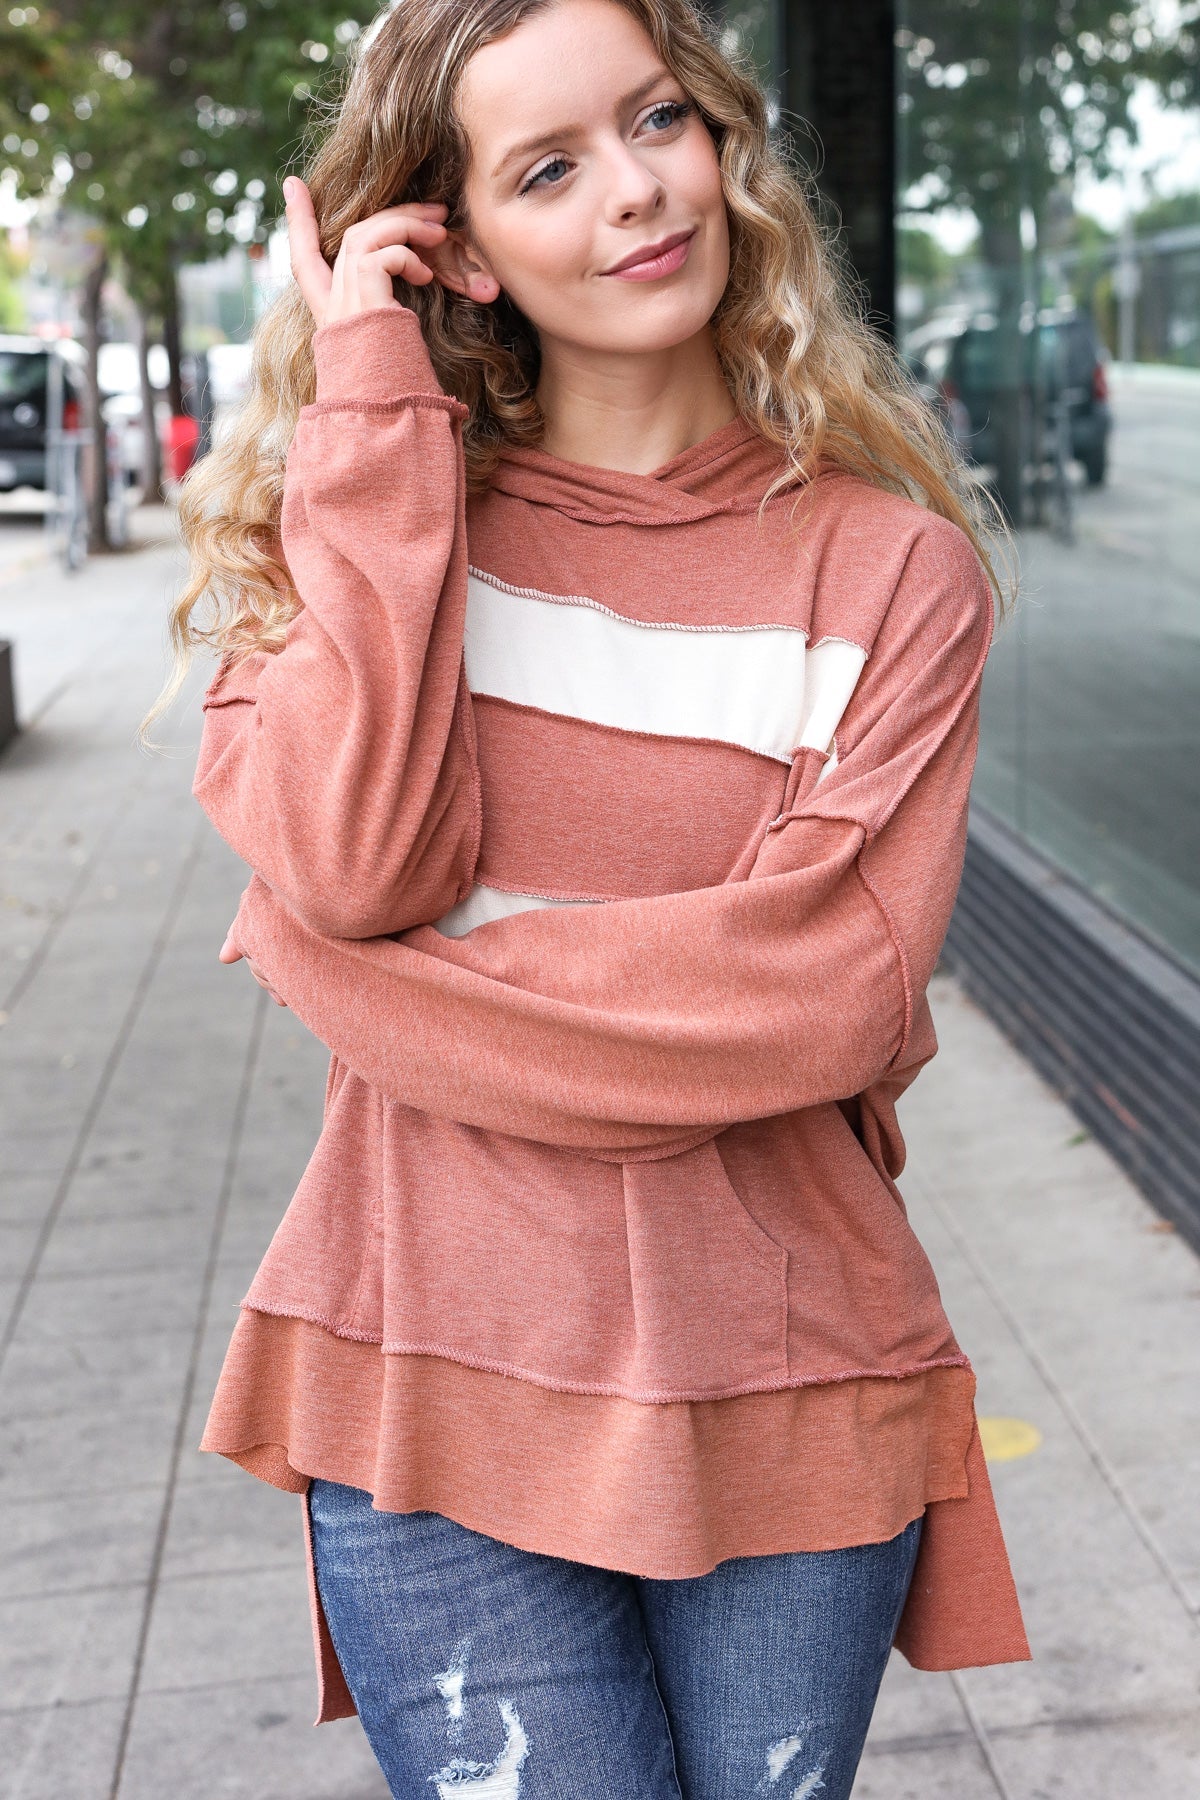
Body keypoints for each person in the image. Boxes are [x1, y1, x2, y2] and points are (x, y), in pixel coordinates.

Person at [143, 0, 1031, 1794]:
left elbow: (819, 999)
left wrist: (373, 987)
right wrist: (374, 414)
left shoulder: (889, 571)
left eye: (656, 122)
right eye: (549, 167)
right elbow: (350, 859)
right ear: (449, 243)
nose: (636, 192)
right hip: (426, 1382)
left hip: (785, 1391)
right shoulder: (369, 535)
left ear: (720, 136)